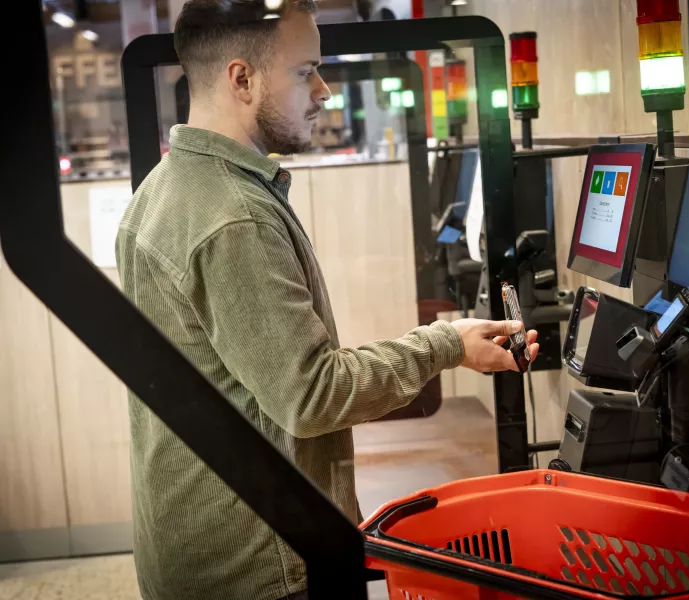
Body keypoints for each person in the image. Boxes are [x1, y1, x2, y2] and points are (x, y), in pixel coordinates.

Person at [114, 1, 539, 599]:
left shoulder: (161, 191)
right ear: (242, 79)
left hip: (197, 546)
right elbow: (310, 394)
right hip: (266, 567)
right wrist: (446, 344)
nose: (324, 90)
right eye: (304, 70)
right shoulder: (233, 218)